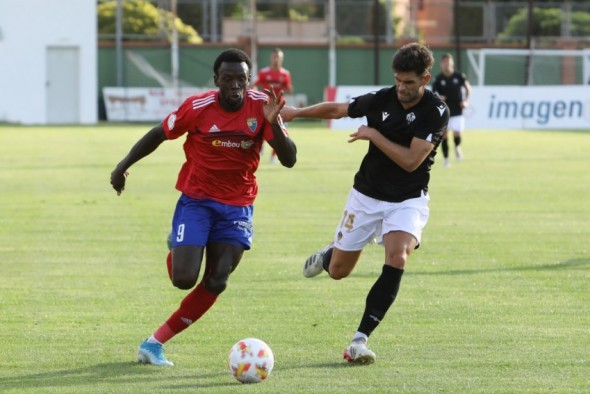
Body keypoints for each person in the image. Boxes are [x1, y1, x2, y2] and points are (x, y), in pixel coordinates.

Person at [110, 48, 297, 366]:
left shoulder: (262, 108)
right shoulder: (197, 108)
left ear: (249, 79)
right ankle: (179, 242)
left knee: (217, 279)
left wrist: (273, 125)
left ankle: (154, 344)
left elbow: (290, 159)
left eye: (241, 78)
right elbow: (159, 134)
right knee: (183, 278)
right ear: (216, 80)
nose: (235, 85)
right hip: (197, 200)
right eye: (228, 79)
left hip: (238, 206)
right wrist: (123, 165)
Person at [280, 42, 449, 365]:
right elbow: (338, 109)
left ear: (425, 79)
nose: (401, 87)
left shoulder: (436, 111)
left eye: (409, 82)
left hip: (407, 200)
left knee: (398, 257)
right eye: (398, 80)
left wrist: (373, 135)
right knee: (339, 272)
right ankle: (329, 254)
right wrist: (295, 113)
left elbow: (412, 161)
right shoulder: (383, 98)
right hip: (366, 196)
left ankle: (359, 341)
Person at [253, 48, 293, 163]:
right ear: (271, 58)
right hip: (266, 106)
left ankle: (274, 156)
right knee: (261, 129)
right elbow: (254, 84)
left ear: (282, 59)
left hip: (279, 107)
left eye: (279, 57)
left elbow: (289, 89)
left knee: (281, 132)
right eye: (275, 56)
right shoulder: (264, 72)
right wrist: (257, 95)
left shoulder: (285, 74)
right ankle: (262, 145)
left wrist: (288, 87)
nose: (276, 59)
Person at [431, 53, 472, 167]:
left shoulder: (459, 76)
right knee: (444, 135)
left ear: (452, 63)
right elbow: (433, 93)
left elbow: (468, 88)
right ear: (441, 64)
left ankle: (457, 146)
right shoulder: (439, 79)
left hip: (458, 110)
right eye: (444, 62)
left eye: (448, 62)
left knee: (457, 134)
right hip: (444, 112)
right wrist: (438, 97)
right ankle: (446, 159)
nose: (447, 64)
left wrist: (466, 101)